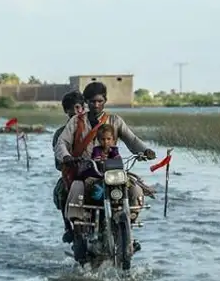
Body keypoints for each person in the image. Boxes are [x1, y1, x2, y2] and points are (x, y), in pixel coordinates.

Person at [54, 81, 156, 244]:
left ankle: (129, 226)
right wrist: (66, 156)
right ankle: (77, 230)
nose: (96, 105)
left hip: (113, 172)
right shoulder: (76, 122)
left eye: (100, 101)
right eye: (92, 101)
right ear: (86, 102)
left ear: (105, 101)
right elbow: (61, 143)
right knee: (75, 191)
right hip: (88, 172)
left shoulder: (115, 120)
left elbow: (132, 140)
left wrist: (145, 151)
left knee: (136, 190)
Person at [53, 90, 87, 240]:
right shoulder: (60, 133)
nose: (76, 112)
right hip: (72, 173)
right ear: (66, 111)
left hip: (95, 170)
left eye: (79, 107)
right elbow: (58, 162)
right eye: (72, 109)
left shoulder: (93, 127)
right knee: (61, 192)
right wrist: (68, 160)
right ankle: (68, 227)